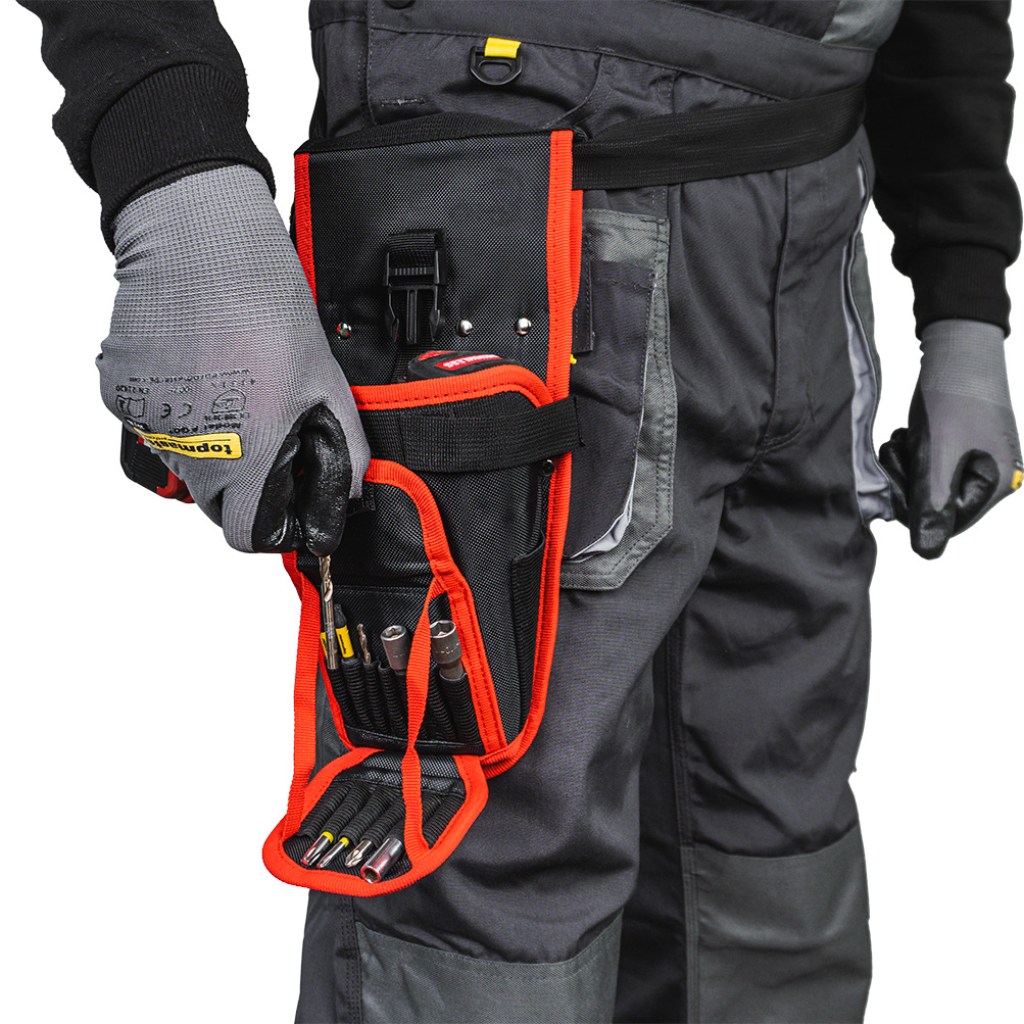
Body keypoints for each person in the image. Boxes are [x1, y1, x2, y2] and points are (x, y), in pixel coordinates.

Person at [17, 2, 1021, 1022]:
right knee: (478, 880)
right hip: (516, 209)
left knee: (772, 842)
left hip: (809, 227)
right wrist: (180, 181)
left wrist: (964, 299)